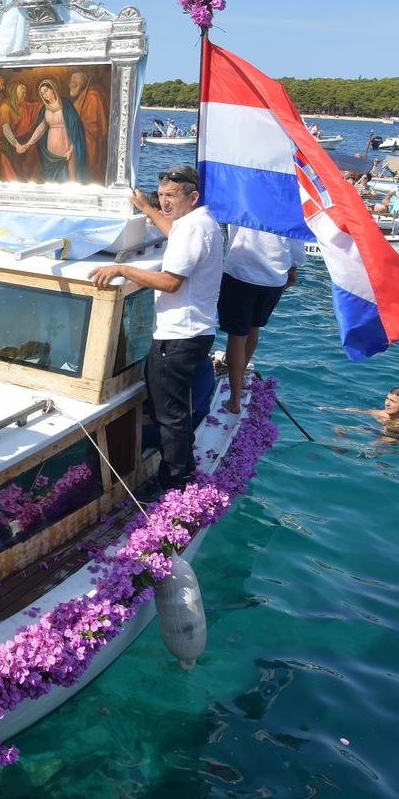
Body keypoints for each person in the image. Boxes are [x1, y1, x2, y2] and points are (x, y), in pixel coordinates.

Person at [87, 166, 222, 490]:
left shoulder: (190, 229)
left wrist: (122, 268)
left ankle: (175, 478)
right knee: (173, 408)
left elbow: (170, 282)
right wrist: (145, 209)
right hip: (196, 332)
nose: (165, 203)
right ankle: (180, 466)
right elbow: (173, 232)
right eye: (161, 195)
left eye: (171, 196)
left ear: (193, 197)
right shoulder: (200, 222)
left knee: (170, 413)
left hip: (178, 336)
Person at [217, 225, 301, 415]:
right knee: (254, 326)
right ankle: (240, 380)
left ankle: (234, 400)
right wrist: (293, 267)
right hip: (274, 277)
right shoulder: (287, 201)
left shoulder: (243, 197)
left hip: (242, 272)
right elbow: (296, 242)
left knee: (237, 335)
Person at [15, 78, 88, 182]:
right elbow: (41, 128)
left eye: (46, 91)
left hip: (66, 144)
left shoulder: (66, 105)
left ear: (53, 89)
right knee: (53, 178)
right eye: (42, 93)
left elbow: (76, 130)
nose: (44, 95)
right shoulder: (45, 108)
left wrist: (71, 150)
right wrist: (29, 143)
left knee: (67, 174)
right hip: (51, 147)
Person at [326, 387, 399, 439]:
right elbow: (360, 411)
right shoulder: (382, 413)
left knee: (378, 442)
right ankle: (340, 448)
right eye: (387, 399)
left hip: (398, 437)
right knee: (338, 428)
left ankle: (371, 459)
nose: (387, 403)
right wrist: (330, 408)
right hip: (380, 431)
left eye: (393, 401)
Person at [68, 70, 109, 182]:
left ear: (79, 84)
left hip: (89, 143)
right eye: (70, 82)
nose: (70, 85)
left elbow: (94, 126)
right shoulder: (82, 97)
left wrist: (78, 129)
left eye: (73, 83)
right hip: (79, 141)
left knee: (87, 171)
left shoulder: (92, 97)